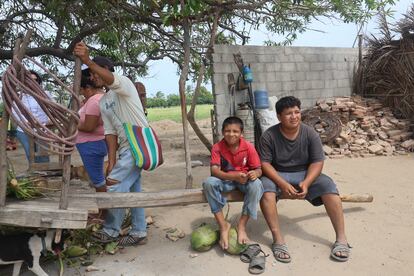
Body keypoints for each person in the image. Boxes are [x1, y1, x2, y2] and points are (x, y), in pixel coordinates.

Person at [258, 96, 351, 263]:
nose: (294, 116)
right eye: (288, 113)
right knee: (265, 188)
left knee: (328, 185)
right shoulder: (269, 136)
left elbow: (317, 162)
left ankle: (342, 239)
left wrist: (307, 182)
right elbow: (265, 164)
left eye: (297, 112)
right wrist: (282, 183)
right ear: (279, 117)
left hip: (305, 173)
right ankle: (278, 240)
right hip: (278, 174)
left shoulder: (310, 133)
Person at [74, 42, 148, 246]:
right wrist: (112, 160)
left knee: (113, 187)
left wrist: (88, 60)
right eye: (90, 73)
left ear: (107, 71)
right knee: (133, 191)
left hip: (138, 145)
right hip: (125, 149)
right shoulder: (105, 100)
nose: (93, 76)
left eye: (95, 72)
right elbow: (110, 132)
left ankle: (111, 230)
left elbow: (109, 78)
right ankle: (140, 231)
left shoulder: (124, 85)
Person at [203, 116, 263, 249]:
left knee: (257, 184)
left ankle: (241, 225)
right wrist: (234, 176)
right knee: (209, 183)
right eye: (227, 131)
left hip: (244, 181)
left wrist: (254, 174)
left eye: (235, 131)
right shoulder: (217, 148)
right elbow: (214, 171)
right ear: (222, 132)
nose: (231, 134)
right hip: (225, 181)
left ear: (241, 133)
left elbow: (258, 169)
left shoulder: (248, 147)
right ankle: (223, 225)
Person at [76, 73, 107, 192]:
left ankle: (106, 209)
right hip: (95, 143)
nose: (82, 93)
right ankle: (105, 208)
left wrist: (74, 124)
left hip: (90, 144)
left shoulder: (94, 101)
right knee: (98, 178)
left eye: (82, 90)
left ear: (88, 88)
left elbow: (89, 127)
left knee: (98, 181)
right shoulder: (101, 97)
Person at [15, 70, 51, 164]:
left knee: (43, 155)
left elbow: (52, 111)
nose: (32, 82)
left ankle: (45, 175)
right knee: (30, 155)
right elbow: (15, 114)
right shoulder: (18, 97)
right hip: (24, 131)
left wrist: (49, 122)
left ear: (39, 82)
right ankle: (35, 175)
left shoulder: (45, 94)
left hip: (42, 130)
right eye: (29, 80)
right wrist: (26, 123)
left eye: (35, 80)